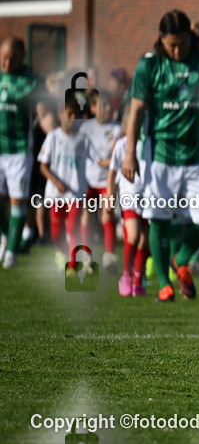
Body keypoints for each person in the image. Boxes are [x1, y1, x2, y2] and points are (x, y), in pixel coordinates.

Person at [120, 9, 199, 302]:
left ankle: (179, 261)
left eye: (182, 43)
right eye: (172, 45)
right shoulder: (149, 65)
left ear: (190, 39)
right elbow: (136, 112)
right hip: (159, 156)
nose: (178, 50)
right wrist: (130, 153)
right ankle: (164, 286)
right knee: (159, 219)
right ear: (161, 40)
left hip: (196, 158)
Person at [0, 36, 48, 269]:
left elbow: (43, 112)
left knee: (17, 200)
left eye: (12, 59)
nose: (7, 64)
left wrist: (56, 132)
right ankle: (4, 234)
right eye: (4, 58)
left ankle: (11, 252)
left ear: (22, 58)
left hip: (18, 150)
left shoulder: (31, 80)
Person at [38, 100, 88, 263]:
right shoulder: (53, 137)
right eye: (69, 114)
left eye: (76, 114)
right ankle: (63, 252)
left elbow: (96, 160)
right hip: (56, 194)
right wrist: (57, 182)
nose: (72, 118)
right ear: (60, 115)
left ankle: (73, 264)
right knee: (56, 233)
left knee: (72, 228)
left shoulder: (83, 139)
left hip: (76, 193)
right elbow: (43, 166)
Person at [79, 89, 121, 271]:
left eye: (109, 104)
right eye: (103, 104)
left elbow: (121, 156)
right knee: (87, 216)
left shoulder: (117, 128)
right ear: (93, 107)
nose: (108, 108)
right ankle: (87, 256)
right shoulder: (85, 127)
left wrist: (108, 161)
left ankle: (109, 256)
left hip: (107, 182)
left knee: (107, 214)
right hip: (88, 180)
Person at [108, 132, 149, 297]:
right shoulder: (122, 144)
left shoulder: (152, 141)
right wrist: (110, 197)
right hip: (129, 194)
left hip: (149, 195)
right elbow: (112, 172)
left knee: (144, 243)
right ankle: (126, 275)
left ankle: (138, 282)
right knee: (133, 236)